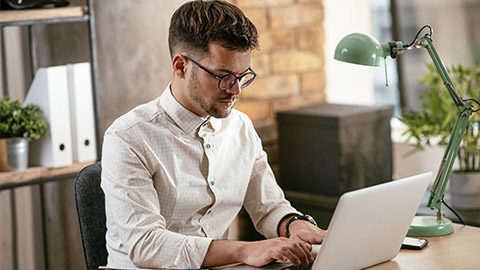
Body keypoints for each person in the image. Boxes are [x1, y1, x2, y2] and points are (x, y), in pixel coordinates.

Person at [101, 0, 326, 268]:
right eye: (223, 76)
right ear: (181, 66)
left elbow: (268, 208)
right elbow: (145, 244)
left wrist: (295, 225)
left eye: (243, 76)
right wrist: (244, 251)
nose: (236, 90)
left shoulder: (240, 127)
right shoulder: (128, 137)